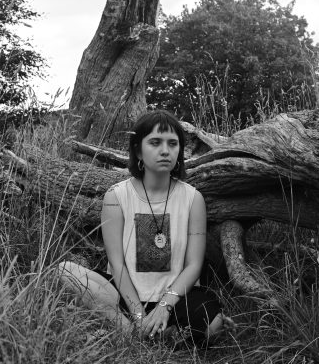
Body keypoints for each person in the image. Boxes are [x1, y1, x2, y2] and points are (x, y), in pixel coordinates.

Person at [58, 110, 228, 348]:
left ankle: (152, 331)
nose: (165, 151)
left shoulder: (192, 199)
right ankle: (132, 330)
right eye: (155, 143)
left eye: (173, 143)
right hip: (124, 294)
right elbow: (117, 264)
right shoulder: (116, 196)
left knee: (214, 325)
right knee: (65, 271)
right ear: (138, 151)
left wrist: (164, 306)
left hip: (175, 297)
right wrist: (138, 314)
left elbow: (193, 266)